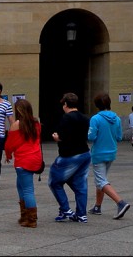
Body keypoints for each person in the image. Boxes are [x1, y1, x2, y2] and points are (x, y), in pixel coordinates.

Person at [49, 92, 91, 223]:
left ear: (65, 104)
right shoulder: (85, 118)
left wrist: (56, 137)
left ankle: (66, 209)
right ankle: (81, 214)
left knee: (54, 181)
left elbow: (61, 136)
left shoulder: (66, 118)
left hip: (69, 155)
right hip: (85, 153)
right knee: (80, 185)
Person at [87, 93, 130, 219]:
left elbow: (91, 137)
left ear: (97, 105)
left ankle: (121, 203)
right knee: (102, 179)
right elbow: (119, 137)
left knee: (101, 181)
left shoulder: (95, 119)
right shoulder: (116, 118)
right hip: (112, 152)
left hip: (99, 153)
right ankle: (97, 206)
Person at [4, 98, 42, 228]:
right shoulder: (36, 123)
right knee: (21, 185)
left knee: (27, 189)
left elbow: (9, 144)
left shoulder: (17, 125)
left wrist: (8, 155)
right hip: (35, 158)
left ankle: (31, 219)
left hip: (23, 160)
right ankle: (25, 216)